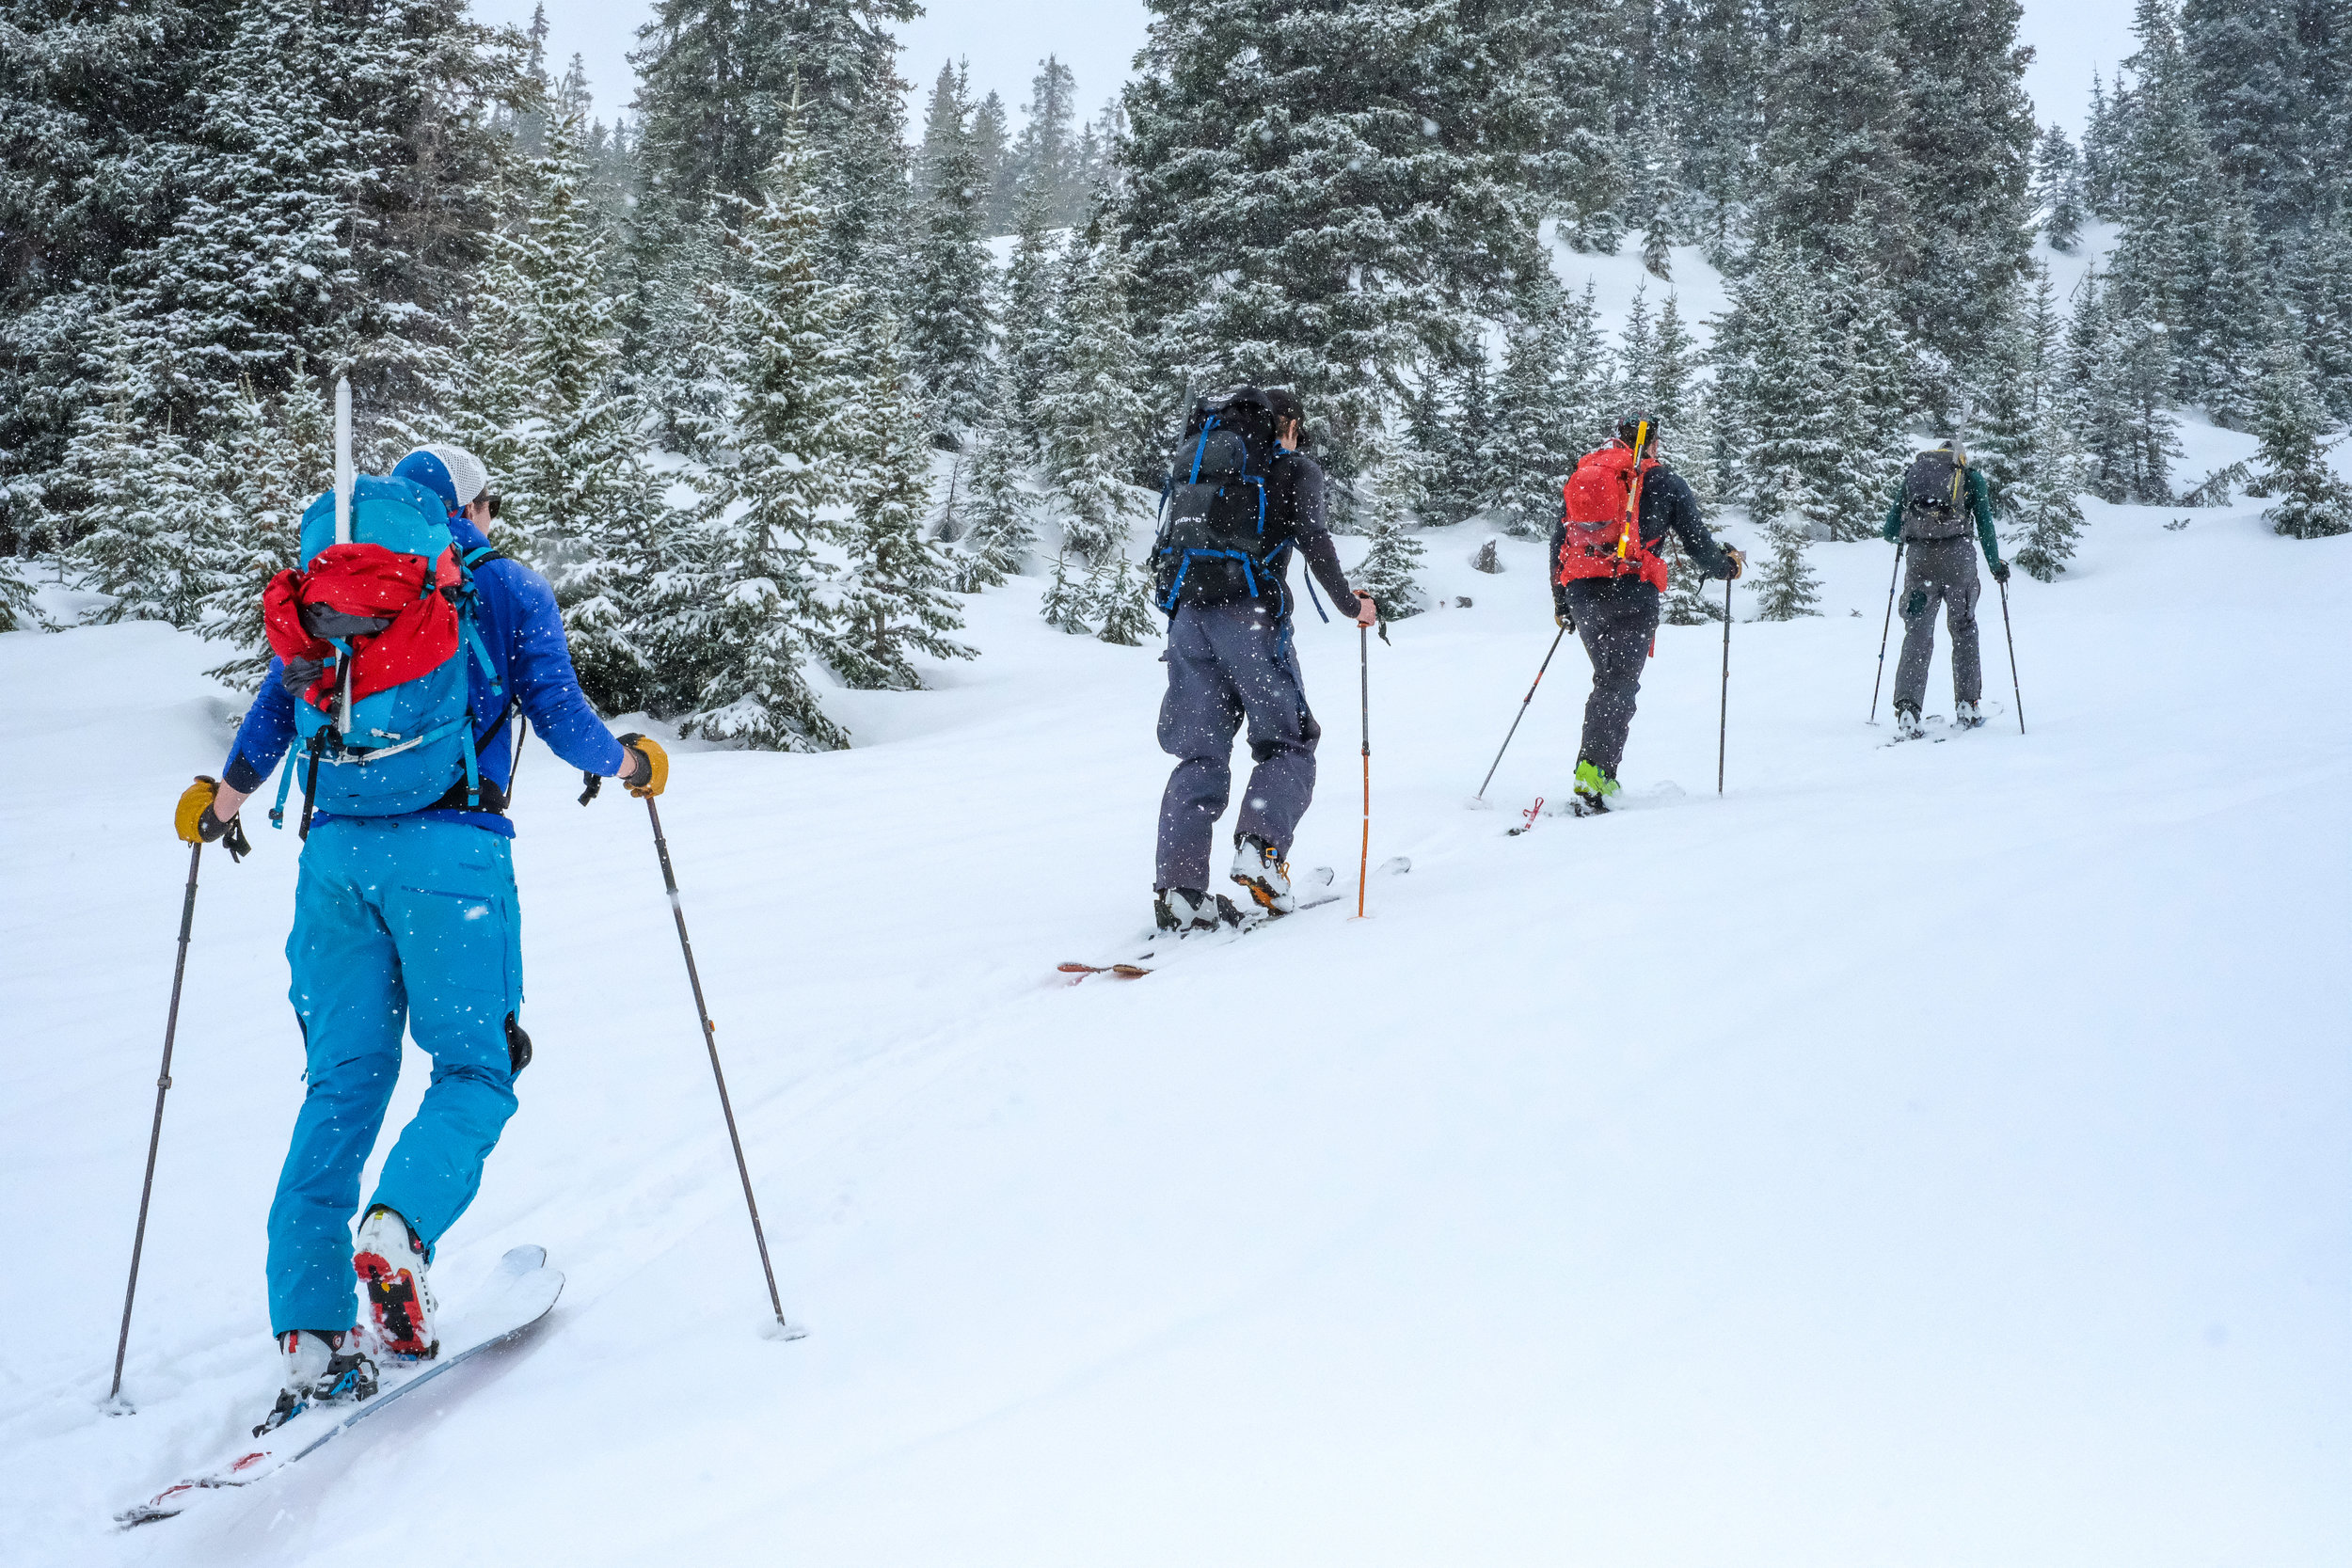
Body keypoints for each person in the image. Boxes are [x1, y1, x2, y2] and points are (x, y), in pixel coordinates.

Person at [172, 443, 665, 1433]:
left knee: (342, 1082)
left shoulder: (335, 594)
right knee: (477, 1066)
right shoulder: (507, 586)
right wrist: (630, 762)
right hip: (452, 862)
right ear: (469, 507)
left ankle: (310, 1334)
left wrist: (219, 801)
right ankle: (399, 1228)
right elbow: (557, 710)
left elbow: (278, 704)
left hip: (334, 864)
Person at [1152, 387, 1377, 930]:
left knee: (1199, 756)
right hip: (1248, 618)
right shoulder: (1290, 466)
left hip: (1187, 615)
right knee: (1288, 740)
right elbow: (1315, 540)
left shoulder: (1203, 463)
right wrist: (1353, 604)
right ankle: (1260, 850)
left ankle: (1180, 891)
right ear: (1289, 424)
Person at [1549, 411, 1743, 815]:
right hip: (1632, 595)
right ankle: (1594, 775)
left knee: (1609, 681)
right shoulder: (1665, 481)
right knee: (1617, 684)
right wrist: (1726, 567)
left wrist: (1562, 601)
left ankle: (1596, 770)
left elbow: (1559, 540)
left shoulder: (1587, 475)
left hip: (1584, 593)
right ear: (1653, 443)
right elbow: (1698, 545)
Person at [1882, 437, 2009, 738]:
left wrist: (1913, 537)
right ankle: (1967, 703)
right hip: (1959, 563)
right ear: (1959, 457)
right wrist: (1995, 566)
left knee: (1918, 633)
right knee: (1964, 627)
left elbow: (1889, 531)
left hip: (1920, 564)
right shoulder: (1970, 478)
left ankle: (1909, 711)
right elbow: (1986, 526)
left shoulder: (1914, 477)